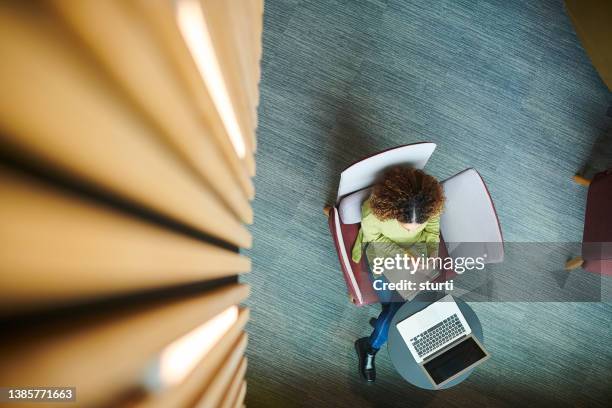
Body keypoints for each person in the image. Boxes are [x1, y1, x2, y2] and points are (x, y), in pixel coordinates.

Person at [351, 165, 445, 382]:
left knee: (400, 309)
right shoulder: (372, 213)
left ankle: (373, 344)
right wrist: (406, 257)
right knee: (401, 310)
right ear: (393, 212)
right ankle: (371, 346)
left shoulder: (428, 207)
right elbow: (376, 240)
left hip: (418, 257)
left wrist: (431, 254)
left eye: (417, 224)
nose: (413, 229)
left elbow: (431, 232)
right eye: (406, 225)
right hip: (384, 255)